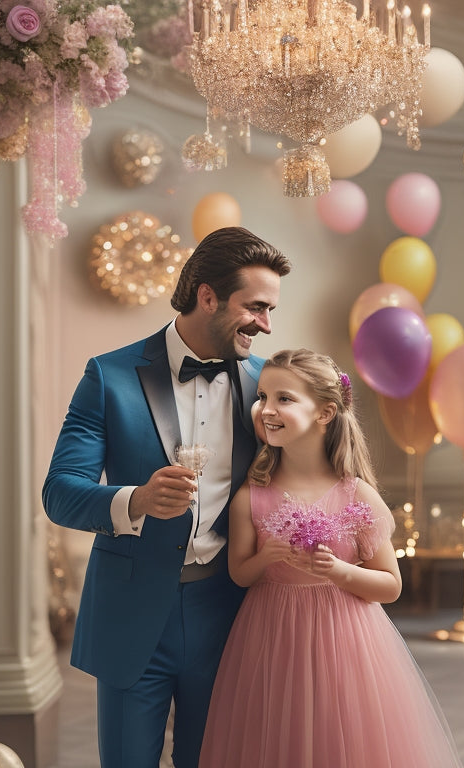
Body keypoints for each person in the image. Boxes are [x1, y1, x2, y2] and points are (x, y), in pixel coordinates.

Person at [42, 226, 292, 768]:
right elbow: (59, 494)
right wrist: (135, 500)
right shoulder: (108, 376)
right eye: (256, 307)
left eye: (271, 310)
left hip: (229, 614)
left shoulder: (263, 388)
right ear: (208, 296)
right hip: (133, 618)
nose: (267, 325)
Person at [198, 348, 463, 768]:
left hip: (346, 641)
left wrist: (340, 571)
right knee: (278, 736)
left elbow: (390, 585)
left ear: (324, 413)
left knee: (340, 737)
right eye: (262, 396)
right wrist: (266, 556)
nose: (266, 409)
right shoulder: (251, 497)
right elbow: (240, 575)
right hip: (271, 638)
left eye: (284, 398)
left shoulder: (357, 495)